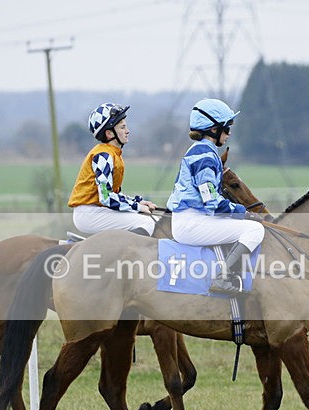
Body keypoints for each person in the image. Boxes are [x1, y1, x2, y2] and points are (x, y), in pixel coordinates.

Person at [166, 98, 265, 295]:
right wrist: (242, 212)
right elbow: (211, 201)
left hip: (191, 219)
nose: (229, 134)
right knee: (254, 230)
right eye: (226, 128)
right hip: (191, 222)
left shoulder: (202, 151)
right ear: (213, 129)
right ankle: (222, 279)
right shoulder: (205, 155)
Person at [68, 102, 157, 236]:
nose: (127, 131)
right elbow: (106, 197)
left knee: (153, 219)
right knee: (148, 223)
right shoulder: (103, 156)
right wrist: (137, 207)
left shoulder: (112, 153)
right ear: (109, 133)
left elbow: (111, 195)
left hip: (96, 210)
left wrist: (137, 202)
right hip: (89, 214)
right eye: (122, 127)